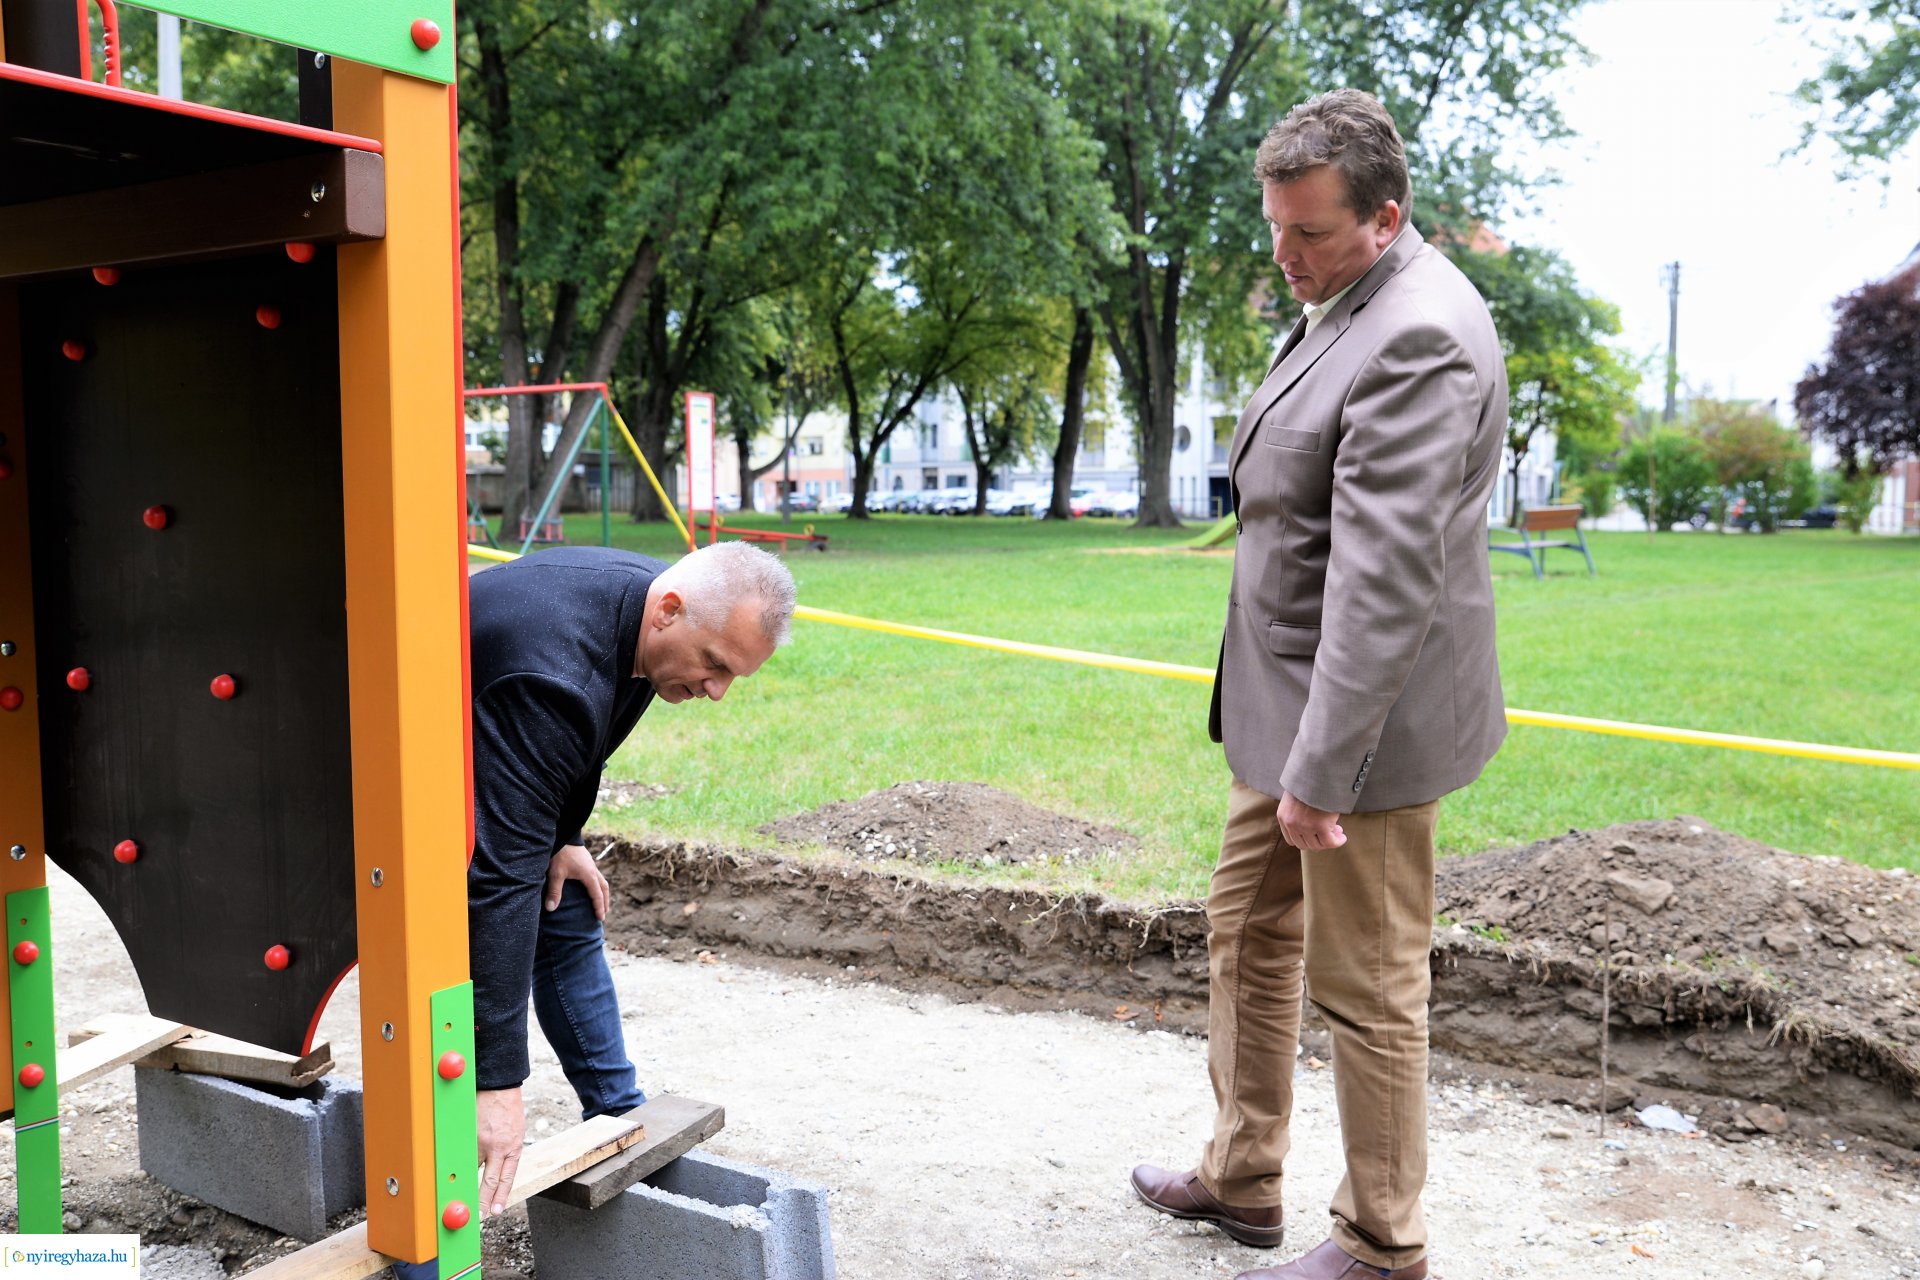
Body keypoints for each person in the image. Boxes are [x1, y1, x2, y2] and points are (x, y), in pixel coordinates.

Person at [1129, 89, 1508, 1280]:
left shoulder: (1420, 335)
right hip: (1282, 710)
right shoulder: (1345, 296)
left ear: (1385, 218)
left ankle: (1382, 1242)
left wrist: (1322, 775)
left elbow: (1382, 583)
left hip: (1365, 732)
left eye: (1311, 235)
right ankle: (1244, 1175)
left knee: (1369, 984)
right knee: (1245, 934)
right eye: (1275, 229)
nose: (1285, 258)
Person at [466, 541, 797, 1217]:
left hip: (481, 739)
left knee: (569, 899)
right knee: (502, 914)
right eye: (714, 666)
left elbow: (580, 737)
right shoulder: (555, 669)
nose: (716, 692)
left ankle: (619, 1118)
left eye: (734, 676)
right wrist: (494, 1081)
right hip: (352, 779)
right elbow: (498, 881)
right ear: (669, 612)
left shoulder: (647, 615)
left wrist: (563, 838)